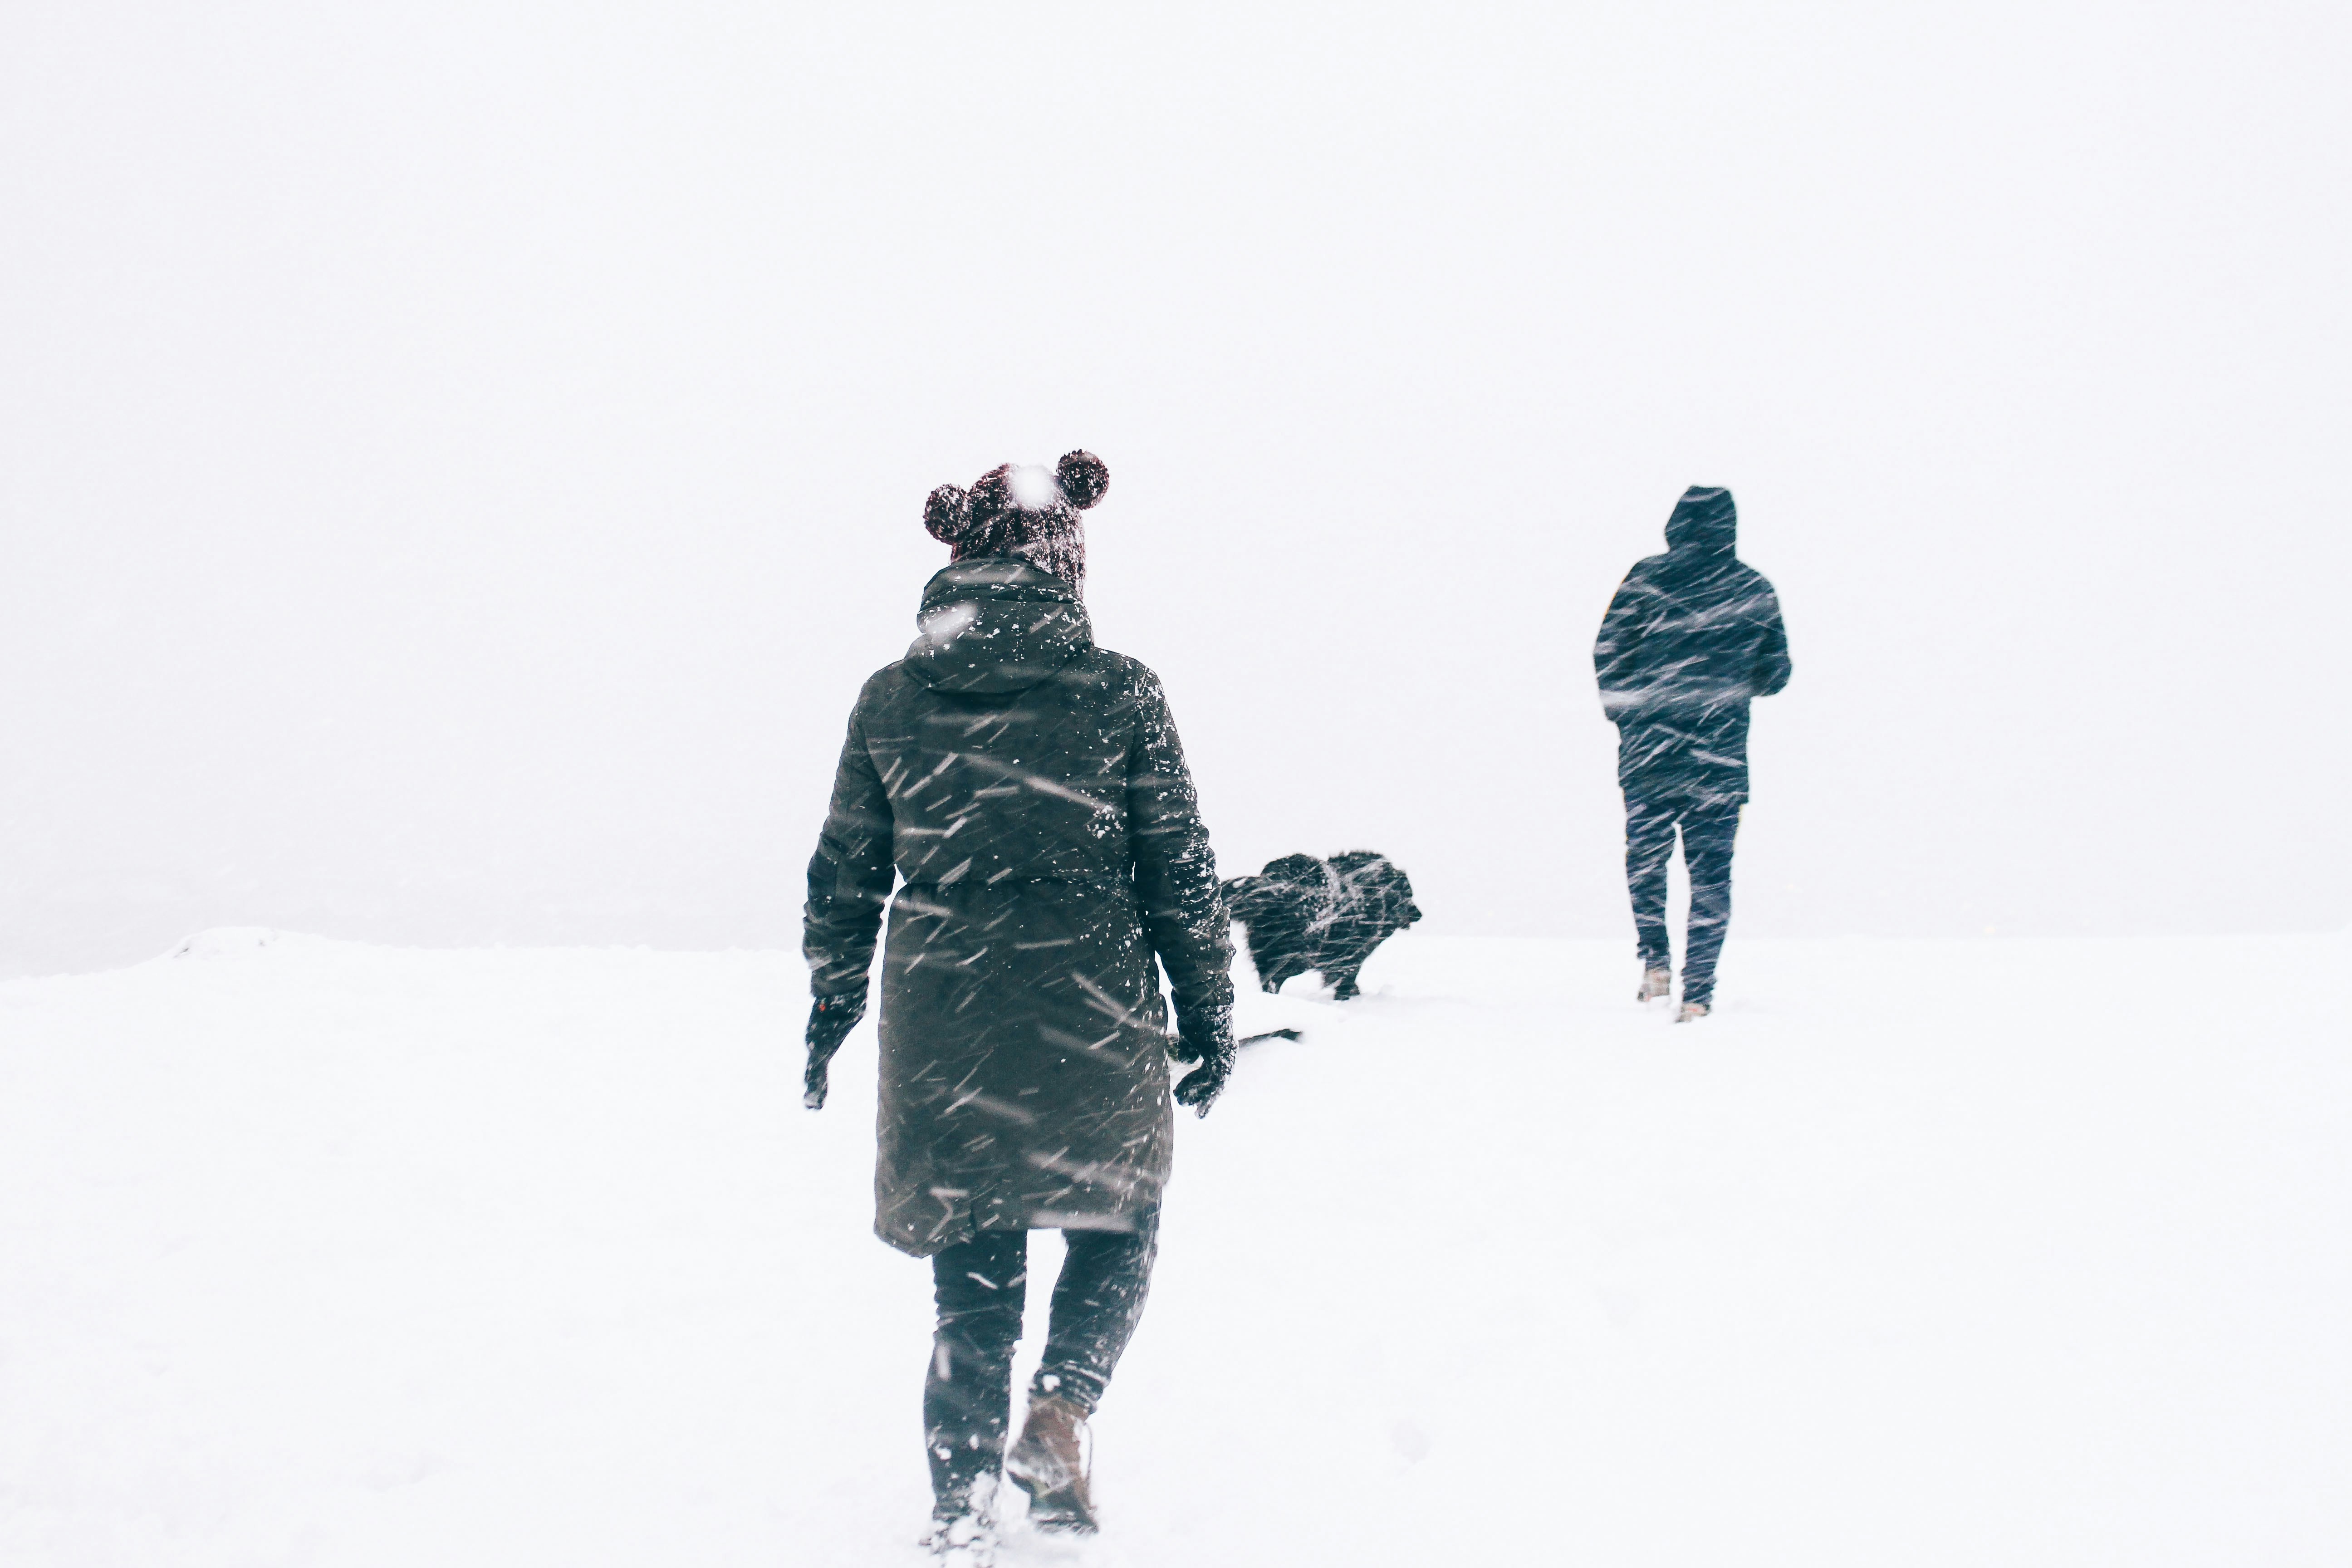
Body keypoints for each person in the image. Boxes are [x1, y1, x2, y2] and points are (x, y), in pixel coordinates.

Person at [800, 451, 1235, 1560]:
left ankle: (956, 1507)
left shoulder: (892, 698)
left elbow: (845, 871)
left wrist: (832, 1002)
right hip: (1088, 994)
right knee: (1118, 1211)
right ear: (1064, 561)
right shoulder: (1119, 689)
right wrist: (1208, 1008)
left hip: (948, 1011)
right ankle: (1060, 1407)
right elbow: (1177, 870)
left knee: (974, 1268)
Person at [1592, 485, 1791, 1021]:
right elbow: (1777, 677)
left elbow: (1608, 653)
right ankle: (1698, 993)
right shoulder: (1753, 588)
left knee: (1646, 862)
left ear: (1674, 525)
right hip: (1718, 758)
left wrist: (1630, 715)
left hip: (1650, 754)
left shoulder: (1645, 579)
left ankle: (1656, 961)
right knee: (1710, 876)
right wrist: (1726, 681)